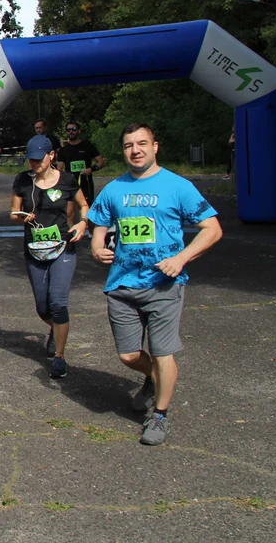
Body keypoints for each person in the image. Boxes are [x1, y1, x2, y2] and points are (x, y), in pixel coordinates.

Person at [88, 123, 223, 445]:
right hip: (121, 285)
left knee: (163, 352)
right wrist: (96, 249)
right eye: (129, 146)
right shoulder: (113, 189)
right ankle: (152, 377)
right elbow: (99, 228)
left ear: (155, 146)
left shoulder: (178, 186)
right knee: (129, 356)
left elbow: (212, 229)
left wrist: (181, 259)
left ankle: (159, 415)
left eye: (142, 143)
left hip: (164, 285)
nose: (135, 150)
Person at [11, 136, 89, 379]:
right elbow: (13, 213)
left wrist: (82, 223)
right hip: (34, 249)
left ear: (51, 155)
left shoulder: (66, 180)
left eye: (38, 159)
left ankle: (60, 357)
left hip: (63, 247)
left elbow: (84, 205)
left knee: (58, 302)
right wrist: (21, 216)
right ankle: (56, 329)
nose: (34, 163)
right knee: (43, 307)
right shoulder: (23, 180)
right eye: (31, 160)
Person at [57, 121, 105, 208]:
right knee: (69, 212)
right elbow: (59, 169)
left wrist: (91, 169)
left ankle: (87, 222)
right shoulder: (63, 150)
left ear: (79, 131)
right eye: (68, 130)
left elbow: (101, 162)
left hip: (85, 184)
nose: (71, 131)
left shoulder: (88, 146)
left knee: (87, 210)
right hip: (70, 185)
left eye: (74, 129)